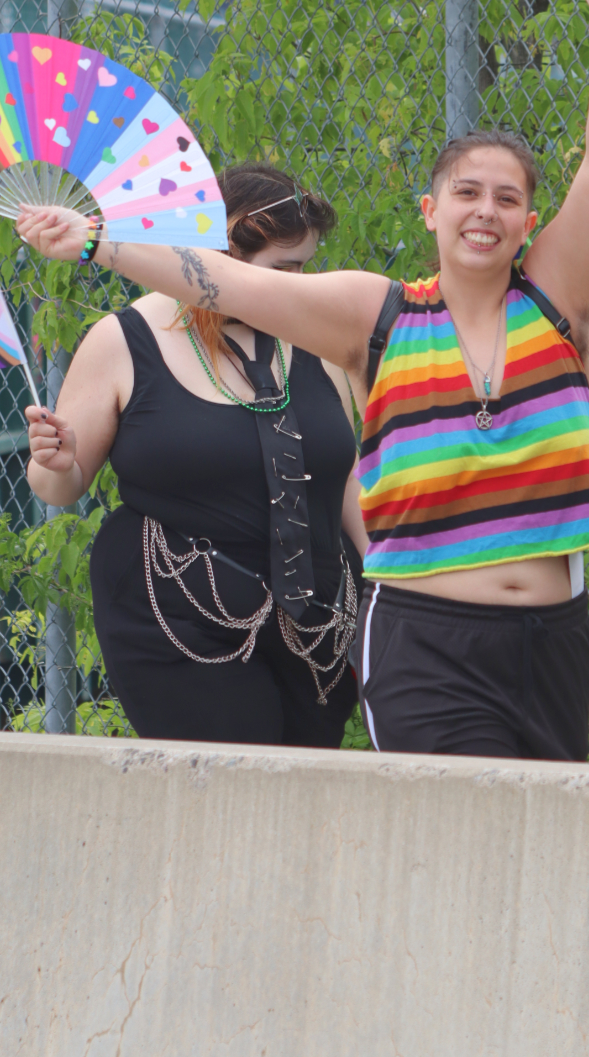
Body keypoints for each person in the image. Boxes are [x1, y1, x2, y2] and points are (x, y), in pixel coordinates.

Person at [18, 0, 589, 761]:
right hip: (427, 644)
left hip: (549, 640)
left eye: (507, 198)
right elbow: (228, 284)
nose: (483, 210)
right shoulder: (375, 315)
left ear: (530, 221)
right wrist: (100, 241)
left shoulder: (557, 305)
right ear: (429, 210)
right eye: (465, 192)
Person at [25, 163, 367, 746]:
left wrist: (394, 581)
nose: (299, 286)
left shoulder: (316, 336)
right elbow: (60, 485)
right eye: (284, 271)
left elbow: (344, 479)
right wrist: (55, 462)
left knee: (307, 784)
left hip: (313, 627)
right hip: (178, 617)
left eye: (306, 268)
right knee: (242, 769)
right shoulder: (123, 340)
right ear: (224, 257)